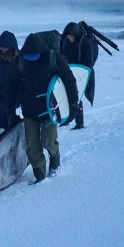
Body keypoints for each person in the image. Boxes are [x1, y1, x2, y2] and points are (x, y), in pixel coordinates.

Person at [5, 32, 78, 183]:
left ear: (41, 51)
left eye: (34, 55)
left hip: (50, 111)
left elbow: (69, 81)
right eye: (28, 55)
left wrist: (73, 106)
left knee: (48, 142)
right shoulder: (20, 61)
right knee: (32, 148)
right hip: (29, 112)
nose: (31, 58)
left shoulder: (53, 58)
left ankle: (55, 157)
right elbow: (10, 87)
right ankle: (40, 176)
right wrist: (10, 112)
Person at [59, 21, 96, 129]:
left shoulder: (85, 44)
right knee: (65, 96)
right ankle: (66, 118)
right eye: (67, 36)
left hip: (81, 74)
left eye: (70, 36)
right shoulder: (65, 41)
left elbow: (89, 62)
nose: (69, 38)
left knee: (77, 97)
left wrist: (80, 72)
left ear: (75, 34)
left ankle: (79, 123)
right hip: (68, 72)